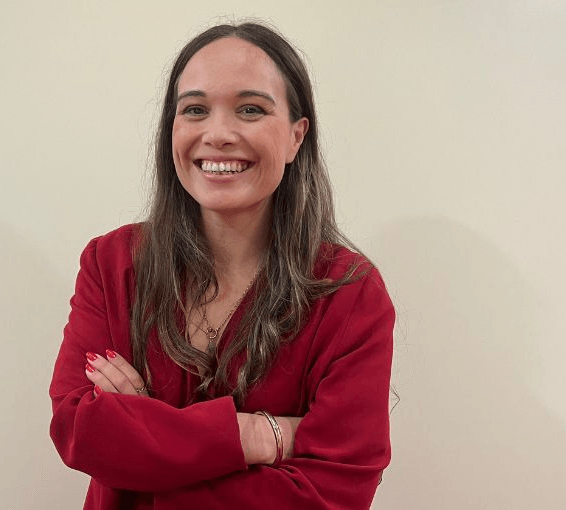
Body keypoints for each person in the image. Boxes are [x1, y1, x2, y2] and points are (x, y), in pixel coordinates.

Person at [49, 22, 395, 509]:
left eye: (251, 109)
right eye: (194, 110)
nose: (218, 134)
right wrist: (256, 435)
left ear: (296, 137)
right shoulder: (111, 264)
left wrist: (147, 442)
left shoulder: (350, 293)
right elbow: (78, 431)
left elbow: (331, 495)